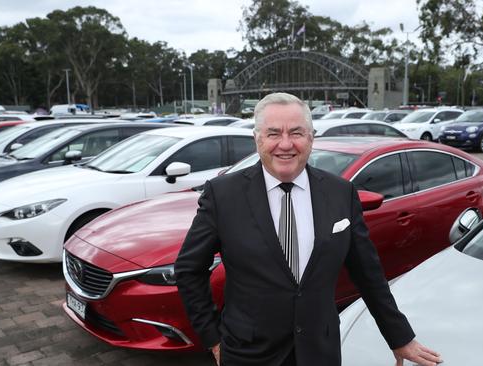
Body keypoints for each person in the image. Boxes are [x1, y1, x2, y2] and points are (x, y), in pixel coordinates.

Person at [175, 92, 442, 366]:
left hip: (320, 352)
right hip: (248, 354)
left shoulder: (341, 193)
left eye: (296, 133)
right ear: (257, 139)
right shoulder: (223, 195)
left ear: (311, 138)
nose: (286, 144)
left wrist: (399, 337)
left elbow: (368, 273)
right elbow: (188, 270)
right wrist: (213, 339)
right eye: (274, 133)